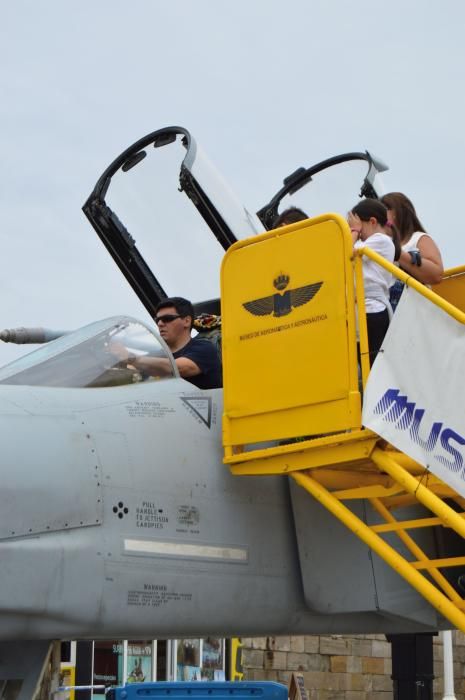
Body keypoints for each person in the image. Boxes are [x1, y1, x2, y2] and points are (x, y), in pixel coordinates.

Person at [119, 297, 222, 389]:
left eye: (167, 319)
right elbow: (132, 369)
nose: (160, 324)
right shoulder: (157, 355)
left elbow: (178, 368)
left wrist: (129, 357)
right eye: (158, 320)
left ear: (186, 321)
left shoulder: (204, 348)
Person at [348, 199, 395, 363]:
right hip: (362, 308)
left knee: (373, 361)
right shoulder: (368, 243)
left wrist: (354, 230)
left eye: (361, 229)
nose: (358, 235)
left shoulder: (382, 240)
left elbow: (348, 252)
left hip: (373, 309)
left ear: (373, 221)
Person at [380, 192, 443, 308]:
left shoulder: (418, 238)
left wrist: (399, 255)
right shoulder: (382, 243)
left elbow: (436, 275)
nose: (379, 216)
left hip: (414, 310)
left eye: (384, 210)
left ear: (398, 213)